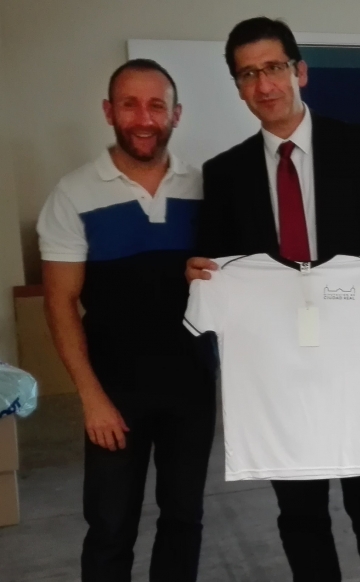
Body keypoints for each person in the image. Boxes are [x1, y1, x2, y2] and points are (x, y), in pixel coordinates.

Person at [184, 17, 360, 582]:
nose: (264, 85)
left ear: (300, 72)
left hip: (357, 365)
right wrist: (199, 271)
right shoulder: (226, 173)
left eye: (274, 68)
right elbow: (215, 260)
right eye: (248, 74)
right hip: (276, 376)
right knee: (300, 513)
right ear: (238, 87)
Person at [38, 60, 215, 582]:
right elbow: (60, 302)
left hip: (192, 386)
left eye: (157, 106)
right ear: (108, 111)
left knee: (184, 519)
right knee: (111, 527)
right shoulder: (73, 194)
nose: (143, 118)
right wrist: (91, 398)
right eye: (130, 104)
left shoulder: (205, 188)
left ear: (175, 114)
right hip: (114, 392)